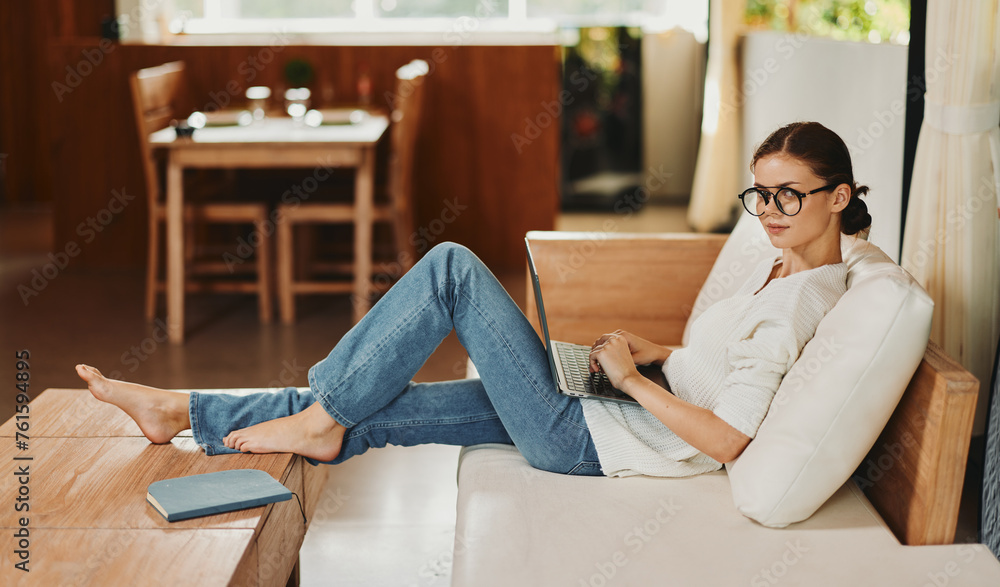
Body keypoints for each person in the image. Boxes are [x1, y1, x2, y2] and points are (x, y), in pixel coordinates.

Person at [76, 121, 871, 478]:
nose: (766, 212)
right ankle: (181, 410)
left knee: (453, 267)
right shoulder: (792, 267)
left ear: (838, 197)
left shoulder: (798, 300)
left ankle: (318, 416)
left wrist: (628, 379)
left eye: (787, 197)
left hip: (592, 435)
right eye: (759, 194)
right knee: (379, 404)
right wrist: (664, 356)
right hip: (608, 408)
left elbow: (732, 438)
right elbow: (728, 373)